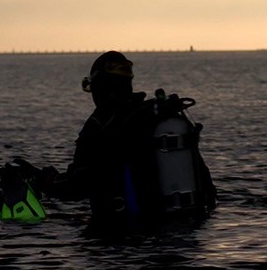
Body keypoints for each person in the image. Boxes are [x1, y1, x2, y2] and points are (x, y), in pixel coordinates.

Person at [44, 51, 216, 226]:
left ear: (99, 87)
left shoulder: (101, 124)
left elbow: (78, 185)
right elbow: (208, 188)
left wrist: (46, 181)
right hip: (187, 231)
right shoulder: (155, 118)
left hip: (124, 235)